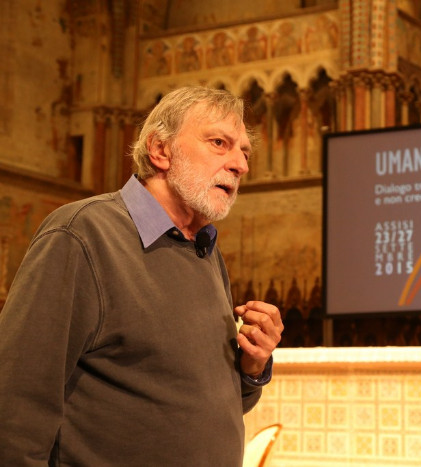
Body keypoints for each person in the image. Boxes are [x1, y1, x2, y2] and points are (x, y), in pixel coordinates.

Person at [0, 86, 283, 466]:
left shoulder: (203, 250)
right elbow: (16, 402)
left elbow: (211, 405)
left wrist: (252, 366)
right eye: (220, 143)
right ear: (160, 150)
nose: (240, 165)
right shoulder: (82, 235)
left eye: (244, 152)